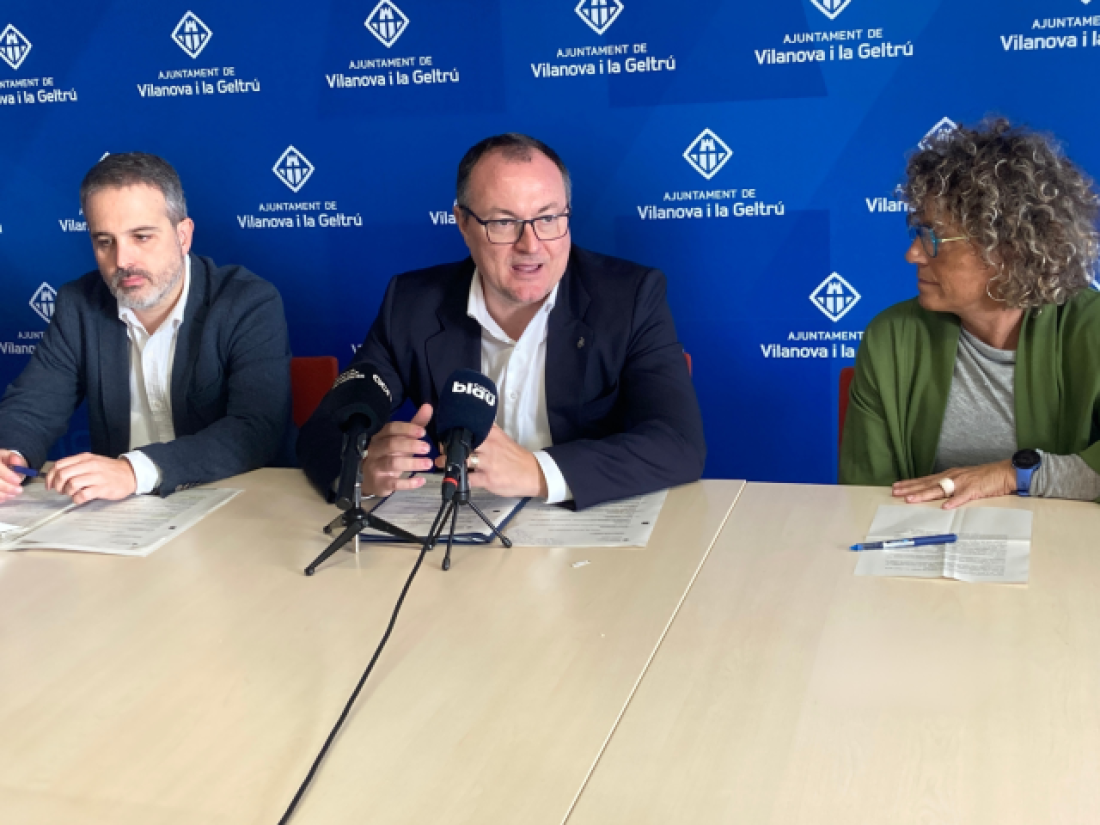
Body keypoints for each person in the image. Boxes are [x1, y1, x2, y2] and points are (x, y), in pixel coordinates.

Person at [299, 133, 705, 510]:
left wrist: (536, 472)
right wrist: (360, 468)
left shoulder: (630, 298)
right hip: (459, 530)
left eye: (548, 218)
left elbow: (678, 443)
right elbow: (324, 430)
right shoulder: (410, 304)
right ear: (463, 223)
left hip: (589, 530)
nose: (531, 245)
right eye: (504, 222)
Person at [0, 152, 292, 504]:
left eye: (141, 237)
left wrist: (134, 471)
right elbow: (33, 406)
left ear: (183, 236)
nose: (122, 260)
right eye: (105, 242)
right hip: (119, 513)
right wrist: (9, 453)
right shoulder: (78, 304)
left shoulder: (246, 302)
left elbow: (255, 429)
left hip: (233, 503)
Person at [840, 118, 1100, 508]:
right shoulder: (891, 337)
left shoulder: (1091, 327)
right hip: (927, 537)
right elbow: (867, 494)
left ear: (1008, 249)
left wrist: (1012, 474)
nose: (913, 254)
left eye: (935, 237)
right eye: (917, 232)